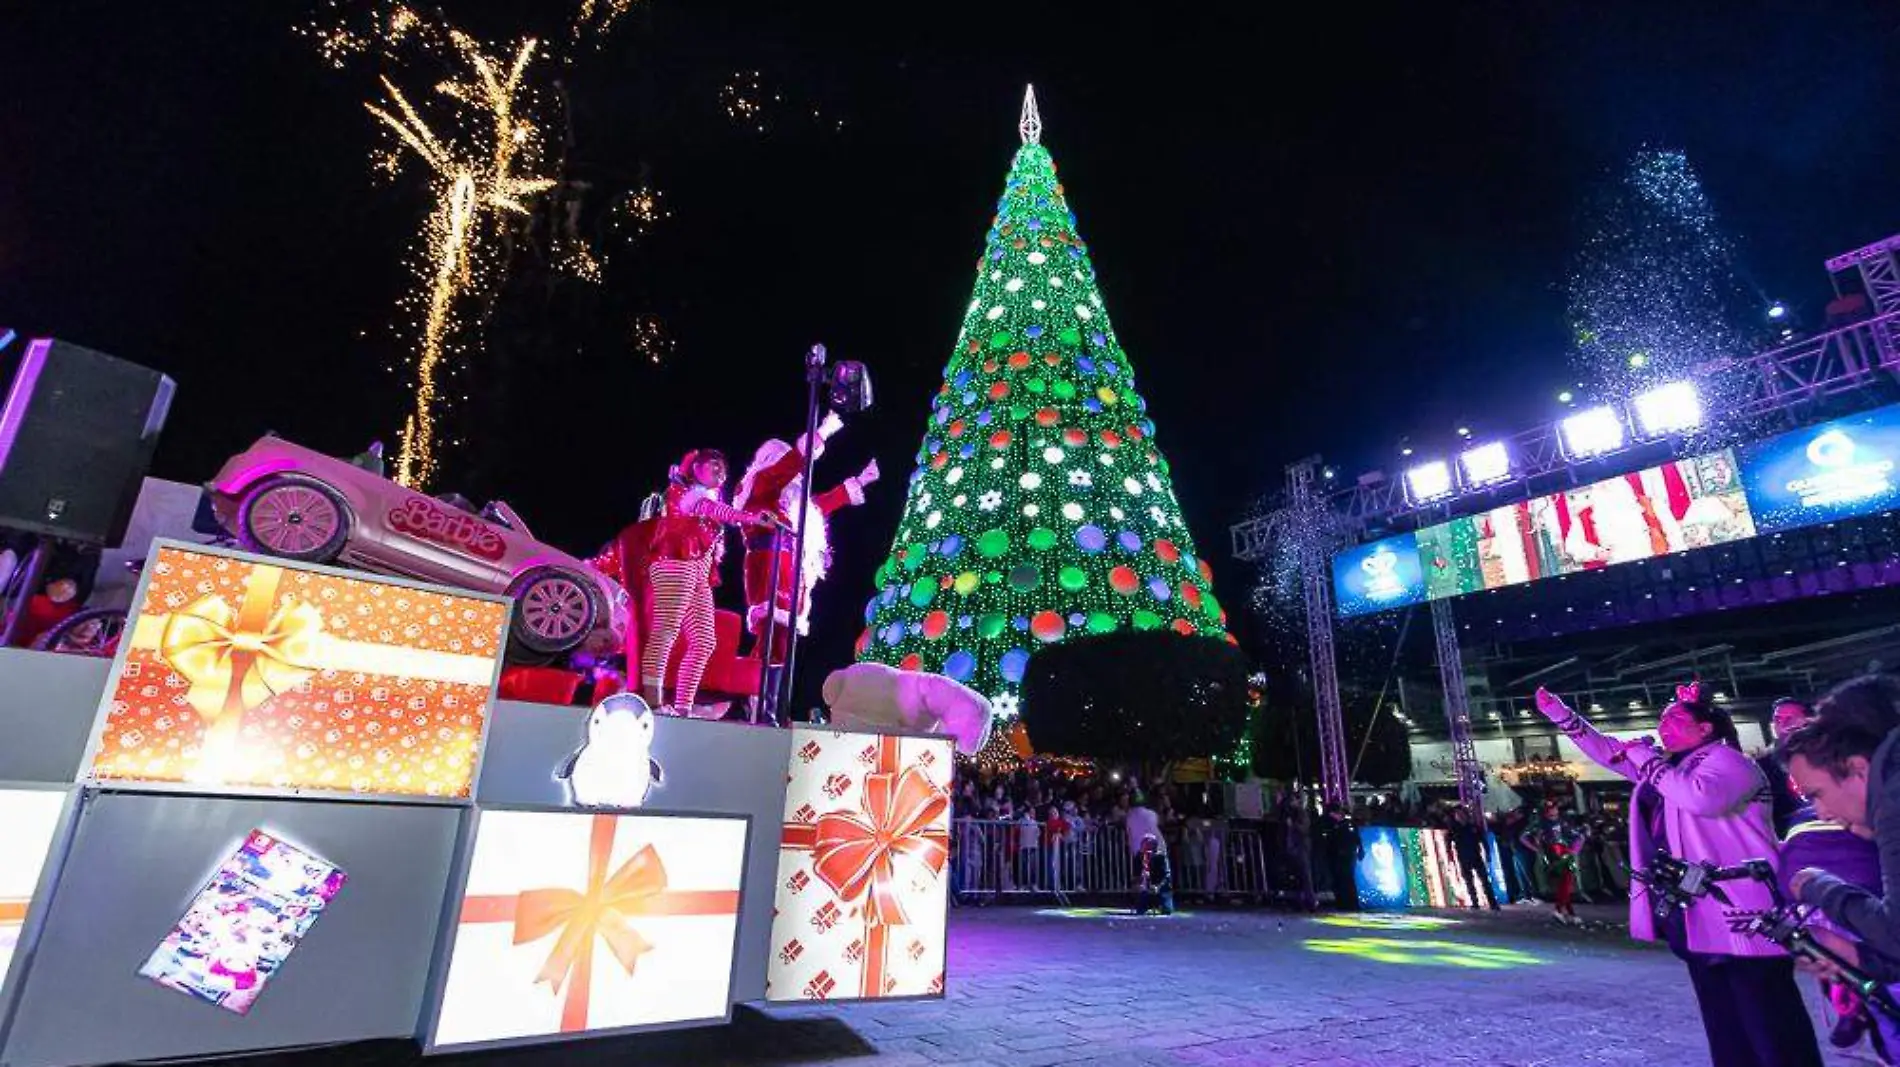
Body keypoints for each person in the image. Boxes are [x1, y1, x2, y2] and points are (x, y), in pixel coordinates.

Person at [1535, 683, 1823, 1067]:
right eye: (1662, 719)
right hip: (1700, 913)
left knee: (1770, 1020)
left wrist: (1648, 760)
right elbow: (1609, 753)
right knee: (1724, 1023)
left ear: (1705, 729)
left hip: (1745, 914)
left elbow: (1701, 798)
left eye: (1674, 718)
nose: (1662, 725)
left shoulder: (1730, 761)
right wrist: (1560, 714)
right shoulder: (1671, 769)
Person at [629, 449, 774, 715]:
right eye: (713, 465)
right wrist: (751, 518)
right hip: (675, 562)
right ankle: (652, 703)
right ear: (695, 469)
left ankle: (683, 708)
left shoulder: (706, 498)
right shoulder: (685, 494)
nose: (720, 471)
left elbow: (715, 512)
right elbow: (713, 508)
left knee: (704, 641)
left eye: (723, 467)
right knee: (666, 631)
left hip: (699, 570)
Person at [731, 411, 879, 665]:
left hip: (792, 568)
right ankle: (756, 693)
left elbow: (818, 506)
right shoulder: (761, 486)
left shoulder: (788, 500)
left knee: (784, 638)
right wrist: (822, 432)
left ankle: (766, 696)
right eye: (784, 462)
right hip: (770, 563)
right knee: (773, 635)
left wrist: (860, 482)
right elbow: (786, 469)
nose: (794, 475)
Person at [1782, 674, 1900, 976]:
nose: (1820, 813)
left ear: (1857, 768)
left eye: (1817, 795)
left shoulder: (1891, 797)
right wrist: (1854, 957)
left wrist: (1820, 887)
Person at [1520, 800, 1582, 925]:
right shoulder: (1541, 823)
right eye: (1551, 809)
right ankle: (1559, 910)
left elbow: (1578, 836)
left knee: (1564, 884)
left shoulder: (1560, 822)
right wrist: (1537, 849)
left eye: (1555, 808)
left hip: (1562, 853)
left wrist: (1575, 849)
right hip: (1556, 855)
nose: (1554, 811)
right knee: (1565, 883)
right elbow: (1523, 837)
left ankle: (1570, 914)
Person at [1761, 697, 1816, 837]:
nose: (1784, 724)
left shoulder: (1828, 755)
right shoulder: (1762, 766)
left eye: (1790, 718)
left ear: (1808, 721)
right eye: (1778, 720)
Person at [1450, 807, 1500, 911]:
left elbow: (1483, 840)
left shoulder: (1473, 827)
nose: (1460, 817)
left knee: (1485, 880)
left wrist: (1487, 853)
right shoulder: (1454, 828)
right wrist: (1450, 856)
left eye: (1461, 814)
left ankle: (1492, 902)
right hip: (1463, 857)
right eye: (1457, 815)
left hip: (1476, 855)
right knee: (1469, 881)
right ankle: (1475, 902)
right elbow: (1449, 842)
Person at [1320, 804, 1363, 911]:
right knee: (1344, 879)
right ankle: (1347, 903)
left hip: (1341, 855)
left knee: (1343, 879)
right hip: (1343, 854)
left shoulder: (1338, 824)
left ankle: (1346, 903)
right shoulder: (1343, 824)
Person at [1134, 833, 1174, 916]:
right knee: (1140, 909)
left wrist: (1158, 887)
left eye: (1149, 844)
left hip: (1161, 889)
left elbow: (1166, 876)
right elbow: (1136, 874)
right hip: (1146, 888)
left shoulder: (1161, 857)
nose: (1147, 847)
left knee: (1167, 910)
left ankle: (1161, 903)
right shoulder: (1139, 856)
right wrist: (1138, 884)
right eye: (1145, 844)